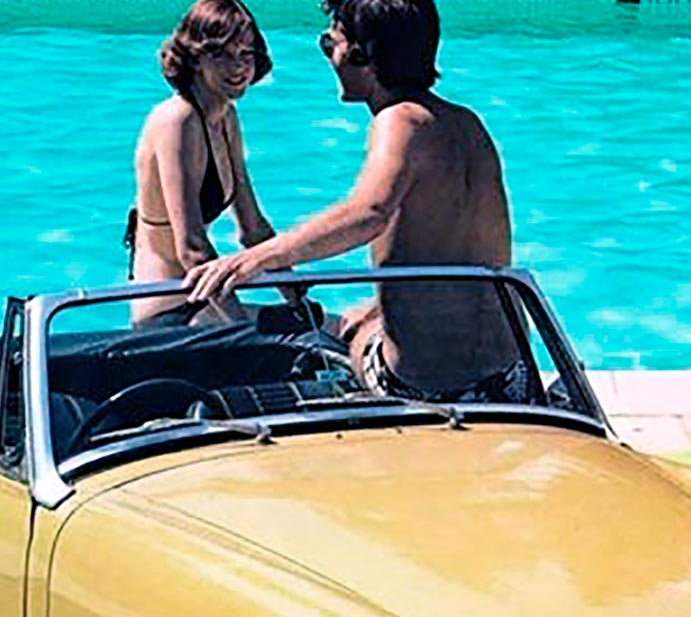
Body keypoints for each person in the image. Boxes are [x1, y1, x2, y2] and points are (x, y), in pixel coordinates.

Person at [183, 0, 530, 402]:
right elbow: (455, 253)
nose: (329, 57)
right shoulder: (467, 123)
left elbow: (368, 212)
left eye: (329, 43)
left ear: (361, 55)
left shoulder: (400, 121)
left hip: (433, 388)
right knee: (359, 316)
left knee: (336, 337)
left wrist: (252, 260)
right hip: (511, 377)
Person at [126, 0, 280, 325]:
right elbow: (191, 248)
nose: (237, 67)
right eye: (222, 54)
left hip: (204, 307)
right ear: (195, 58)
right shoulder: (177, 120)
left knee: (331, 327)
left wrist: (298, 297)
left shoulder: (225, 117)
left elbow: (253, 228)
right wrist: (242, 327)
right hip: (168, 315)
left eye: (246, 54)